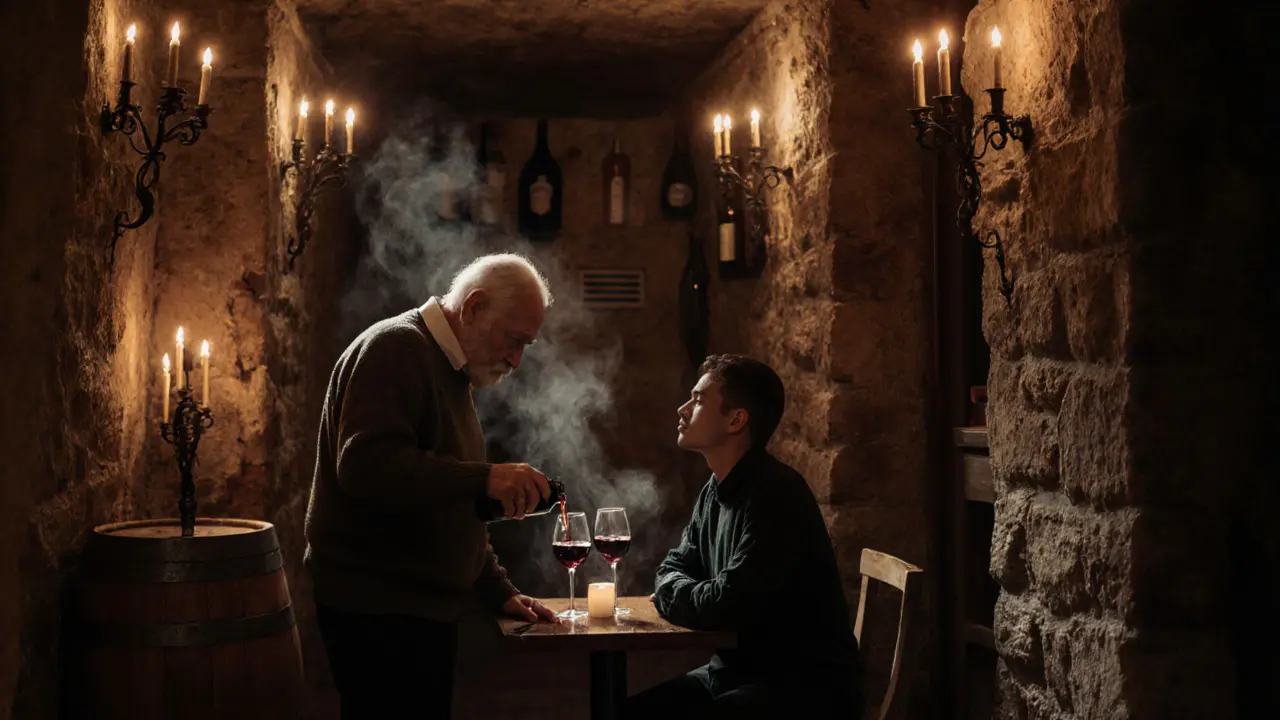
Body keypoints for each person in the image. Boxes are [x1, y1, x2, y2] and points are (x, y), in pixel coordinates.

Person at [303, 253, 561, 718]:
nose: (518, 360)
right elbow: (365, 467)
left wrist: (498, 589)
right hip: (379, 610)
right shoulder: (397, 348)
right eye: (514, 340)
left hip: (415, 609)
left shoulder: (450, 371)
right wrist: (485, 476)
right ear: (475, 307)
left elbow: (450, 502)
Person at [626, 354, 862, 719]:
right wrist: (677, 588)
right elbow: (674, 565)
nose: (683, 408)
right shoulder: (713, 489)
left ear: (736, 420)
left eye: (699, 400)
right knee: (627, 712)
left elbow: (727, 604)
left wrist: (669, 593)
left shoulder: (776, 495)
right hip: (733, 674)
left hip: (799, 687)